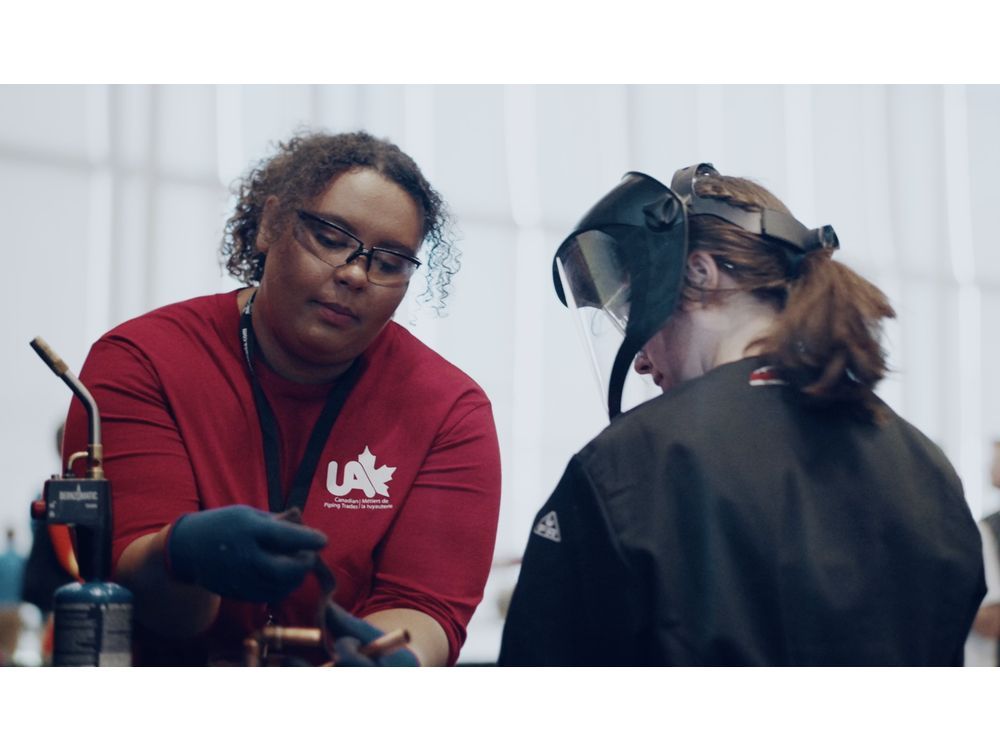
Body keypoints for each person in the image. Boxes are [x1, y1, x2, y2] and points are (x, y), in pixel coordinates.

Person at [499, 163, 985, 666]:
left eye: (633, 316)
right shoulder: (926, 466)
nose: (641, 360)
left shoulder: (632, 464)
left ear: (699, 275)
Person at [61, 131, 502, 666]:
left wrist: (388, 660)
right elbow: (159, 611)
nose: (356, 273)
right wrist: (178, 556)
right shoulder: (143, 361)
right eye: (332, 236)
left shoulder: (449, 410)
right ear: (271, 224)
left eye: (388, 262)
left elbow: (420, 608)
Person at [964, 439, 1000, 666]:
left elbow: (991, 620)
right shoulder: (988, 525)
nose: (990, 467)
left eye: (995, 460)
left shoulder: (985, 530)